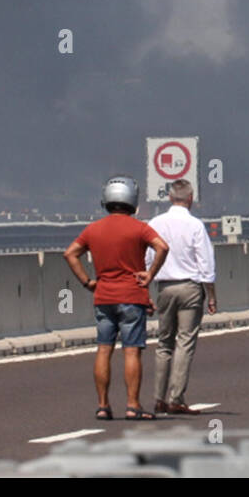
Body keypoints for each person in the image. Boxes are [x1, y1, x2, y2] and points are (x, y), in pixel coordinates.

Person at [63, 175, 171, 421]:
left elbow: (70, 253)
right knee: (131, 351)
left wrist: (87, 282)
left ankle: (103, 405)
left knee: (104, 350)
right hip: (132, 298)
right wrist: (150, 274)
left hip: (103, 298)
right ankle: (132, 405)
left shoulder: (94, 229)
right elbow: (162, 247)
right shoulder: (140, 228)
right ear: (132, 200)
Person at [147, 178, 217, 415]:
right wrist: (212, 295)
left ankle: (158, 398)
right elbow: (205, 263)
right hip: (190, 288)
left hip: (164, 287)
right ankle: (176, 398)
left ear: (169, 197)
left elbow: (148, 258)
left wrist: (147, 287)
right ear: (190, 199)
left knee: (163, 343)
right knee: (184, 342)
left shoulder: (156, 223)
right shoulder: (195, 225)